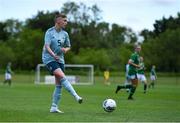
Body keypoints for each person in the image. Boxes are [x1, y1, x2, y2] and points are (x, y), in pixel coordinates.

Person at [42, 13, 82, 113]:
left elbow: (69, 46)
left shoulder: (65, 34)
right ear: (58, 21)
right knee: (62, 76)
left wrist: (65, 50)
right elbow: (47, 46)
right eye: (65, 21)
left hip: (60, 60)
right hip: (49, 59)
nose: (66, 22)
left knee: (59, 84)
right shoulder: (49, 32)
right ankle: (76, 96)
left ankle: (54, 107)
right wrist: (53, 55)